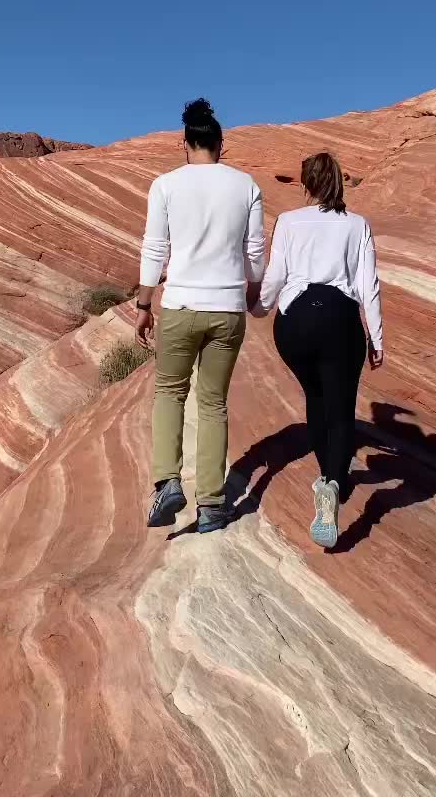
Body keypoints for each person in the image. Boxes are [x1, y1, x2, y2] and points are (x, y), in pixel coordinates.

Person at [136, 99, 265, 534]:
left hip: (181, 305)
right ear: (220, 144)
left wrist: (143, 304)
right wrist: (245, 290)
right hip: (227, 310)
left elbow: (155, 248)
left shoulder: (166, 185)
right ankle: (211, 504)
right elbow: (254, 255)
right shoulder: (246, 185)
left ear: (185, 143)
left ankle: (168, 482)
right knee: (214, 404)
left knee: (170, 393)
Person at [251, 152, 383, 549]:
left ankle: (328, 474)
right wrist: (376, 336)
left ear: (305, 185)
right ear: (339, 183)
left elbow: (276, 275)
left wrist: (258, 308)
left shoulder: (289, 222)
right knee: (341, 411)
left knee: (315, 396)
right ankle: (332, 485)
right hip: (340, 320)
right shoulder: (357, 225)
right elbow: (368, 285)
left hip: (295, 324)